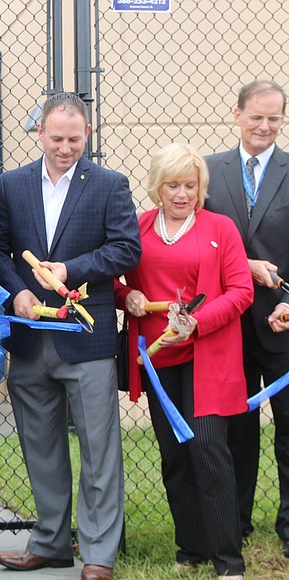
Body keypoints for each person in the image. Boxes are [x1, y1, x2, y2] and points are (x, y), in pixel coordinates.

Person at [0, 92, 140, 580]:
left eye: (75, 139)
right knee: (40, 445)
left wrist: (70, 269)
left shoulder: (110, 185)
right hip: (30, 336)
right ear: (39, 134)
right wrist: (16, 294)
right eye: (56, 138)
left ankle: (98, 553)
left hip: (86, 337)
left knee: (100, 449)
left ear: (87, 135)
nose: (65, 147)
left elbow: (125, 250)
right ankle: (51, 541)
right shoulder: (12, 186)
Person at [116, 143, 252, 579]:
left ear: (200, 188)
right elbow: (114, 282)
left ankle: (228, 561)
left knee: (210, 450)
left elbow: (241, 290)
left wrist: (199, 321)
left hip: (206, 356)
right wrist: (128, 296)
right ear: (158, 187)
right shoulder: (138, 228)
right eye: (173, 185)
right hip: (158, 359)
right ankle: (190, 548)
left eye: (190, 185)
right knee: (174, 456)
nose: (182, 194)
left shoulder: (221, 228)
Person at [204, 79, 289, 553]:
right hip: (227, 323)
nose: (264, 125)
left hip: (281, 322)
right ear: (236, 114)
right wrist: (244, 266)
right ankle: (232, 523)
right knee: (235, 430)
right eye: (256, 116)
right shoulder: (210, 172)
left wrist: (288, 304)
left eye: (274, 118)